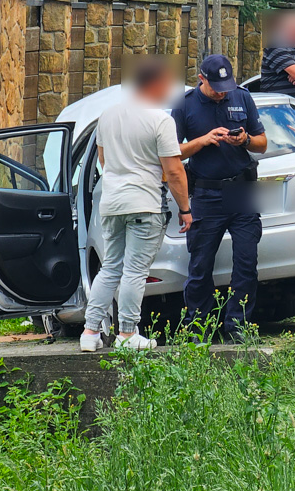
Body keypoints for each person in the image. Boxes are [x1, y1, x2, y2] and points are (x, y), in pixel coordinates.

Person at [81, 58, 192, 352]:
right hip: (144, 202)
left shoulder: (107, 116)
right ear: (155, 84)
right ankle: (128, 334)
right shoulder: (160, 120)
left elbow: (104, 161)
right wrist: (185, 209)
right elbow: (174, 171)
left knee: (111, 268)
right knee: (135, 271)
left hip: (111, 202)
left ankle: (90, 332)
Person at [172, 54, 267, 342]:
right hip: (206, 194)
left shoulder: (242, 97)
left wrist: (245, 140)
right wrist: (203, 140)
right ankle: (198, 328)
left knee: (246, 264)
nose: (222, 91)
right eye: (216, 86)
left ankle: (238, 327)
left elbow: (262, 143)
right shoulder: (185, 105)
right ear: (201, 79)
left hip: (243, 192)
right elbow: (172, 152)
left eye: (226, 85)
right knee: (200, 267)